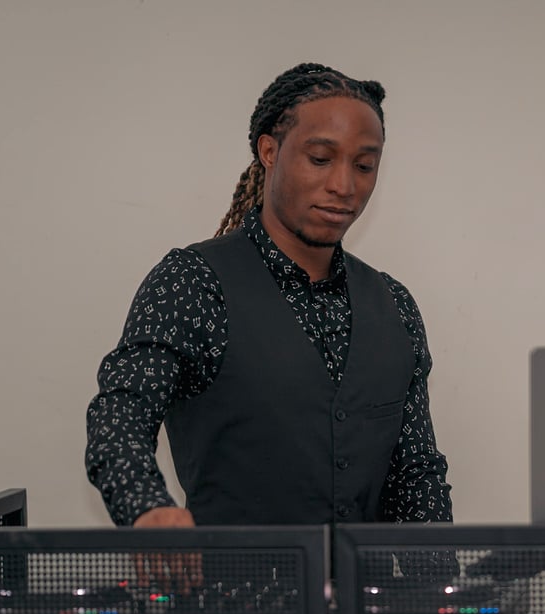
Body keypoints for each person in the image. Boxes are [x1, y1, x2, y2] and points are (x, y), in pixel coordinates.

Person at [85, 61, 452, 565]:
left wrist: (436, 597)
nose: (344, 185)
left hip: (363, 607)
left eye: (364, 166)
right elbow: (120, 413)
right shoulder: (193, 283)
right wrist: (147, 508)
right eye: (320, 159)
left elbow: (415, 477)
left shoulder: (395, 305)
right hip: (230, 606)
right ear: (269, 151)